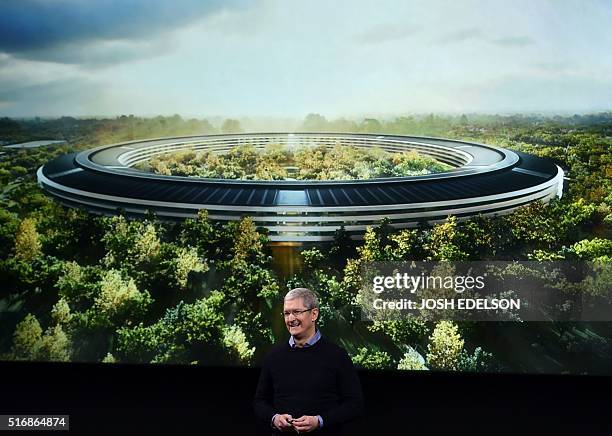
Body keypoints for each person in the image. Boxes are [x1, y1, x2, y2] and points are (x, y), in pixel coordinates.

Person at [254, 288, 364, 435]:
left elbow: (355, 405)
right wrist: (275, 418)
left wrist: (320, 421)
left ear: (314, 314)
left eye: (297, 312)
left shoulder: (337, 356)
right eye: (287, 313)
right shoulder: (274, 356)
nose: (291, 319)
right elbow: (260, 402)